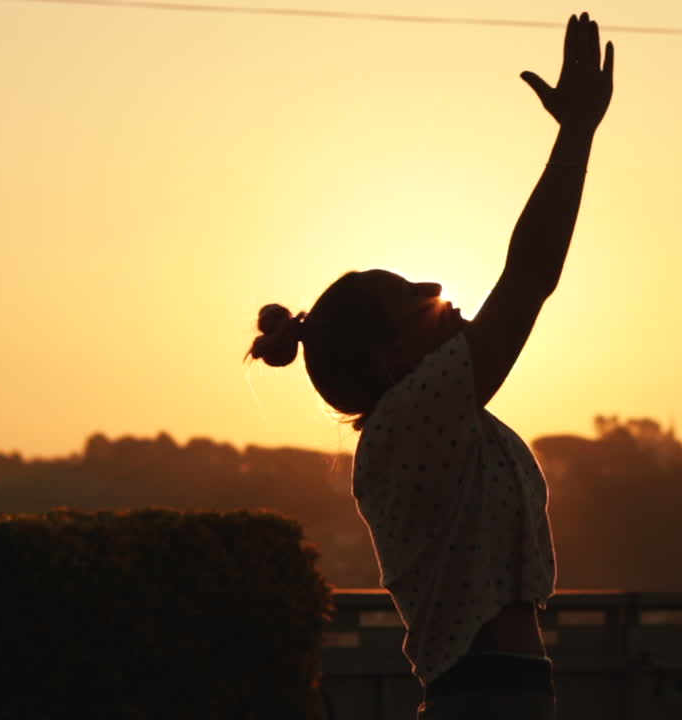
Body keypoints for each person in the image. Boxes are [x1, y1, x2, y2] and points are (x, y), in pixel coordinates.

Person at [248, 11, 613, 719]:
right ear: (391, 355)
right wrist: (574, 137)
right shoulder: (410, 424)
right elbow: (528, 280)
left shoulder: (430, 420)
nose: (436, 292)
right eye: (414, 298)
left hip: (502, 693)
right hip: (487, 698)